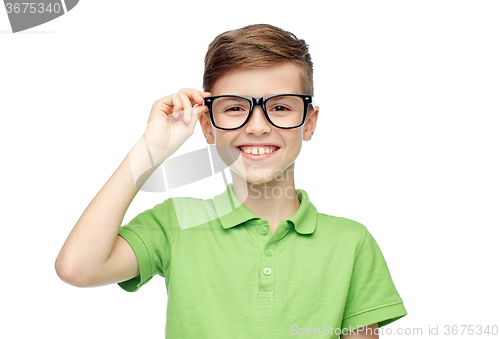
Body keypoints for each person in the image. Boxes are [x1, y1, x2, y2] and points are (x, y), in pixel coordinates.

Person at [55, 23, 407, 338]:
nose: (257, 126)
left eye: (281, 107)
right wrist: (149, 150)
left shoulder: (351, 242)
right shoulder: (176, 224)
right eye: (235, 108)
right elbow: (77, 268)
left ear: (310, 122)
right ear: (207, 126)